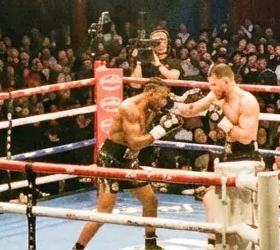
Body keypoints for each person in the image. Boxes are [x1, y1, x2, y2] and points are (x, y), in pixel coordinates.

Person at [71, 78, 176, 250]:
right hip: (111, 161)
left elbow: (180, 109)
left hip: (129, 161)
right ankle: (77, 248)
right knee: (104, 212)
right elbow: (134, 142)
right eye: (162, 97)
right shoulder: (129, 109)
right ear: (151, 92)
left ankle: (151, 245)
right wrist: (160, 131)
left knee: (151, 201)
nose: (164, 102)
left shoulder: (152, 107)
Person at [172, 64, 263, 247]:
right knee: (211, 200)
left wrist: (222, 122)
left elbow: (246, 137)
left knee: (243, 211)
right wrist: (169, 105)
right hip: (227, 157)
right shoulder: (216, 95)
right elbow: (191, 109)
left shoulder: (246, 101)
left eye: (214, 84)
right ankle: (213, 242)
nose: (211, 88)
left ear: (226, 82)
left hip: (247, 158)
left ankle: (253, 244)